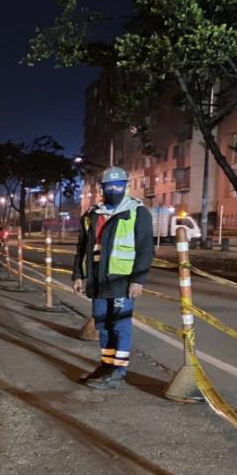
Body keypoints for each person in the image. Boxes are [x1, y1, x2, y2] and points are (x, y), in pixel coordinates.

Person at [72, 166, 154, 389]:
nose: (114, 189)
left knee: (120, 326)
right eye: (110, 186)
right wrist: (79, 275)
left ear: (126, 186)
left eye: (119, 185)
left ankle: (119, 371)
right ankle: (106, 366)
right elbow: (82, 248)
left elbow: (146, 249)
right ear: (103, 188)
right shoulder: (93, 214)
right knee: (103, 325)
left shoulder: (137, 212)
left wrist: (138, 280)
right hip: (98, 280)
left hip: (122, 281)